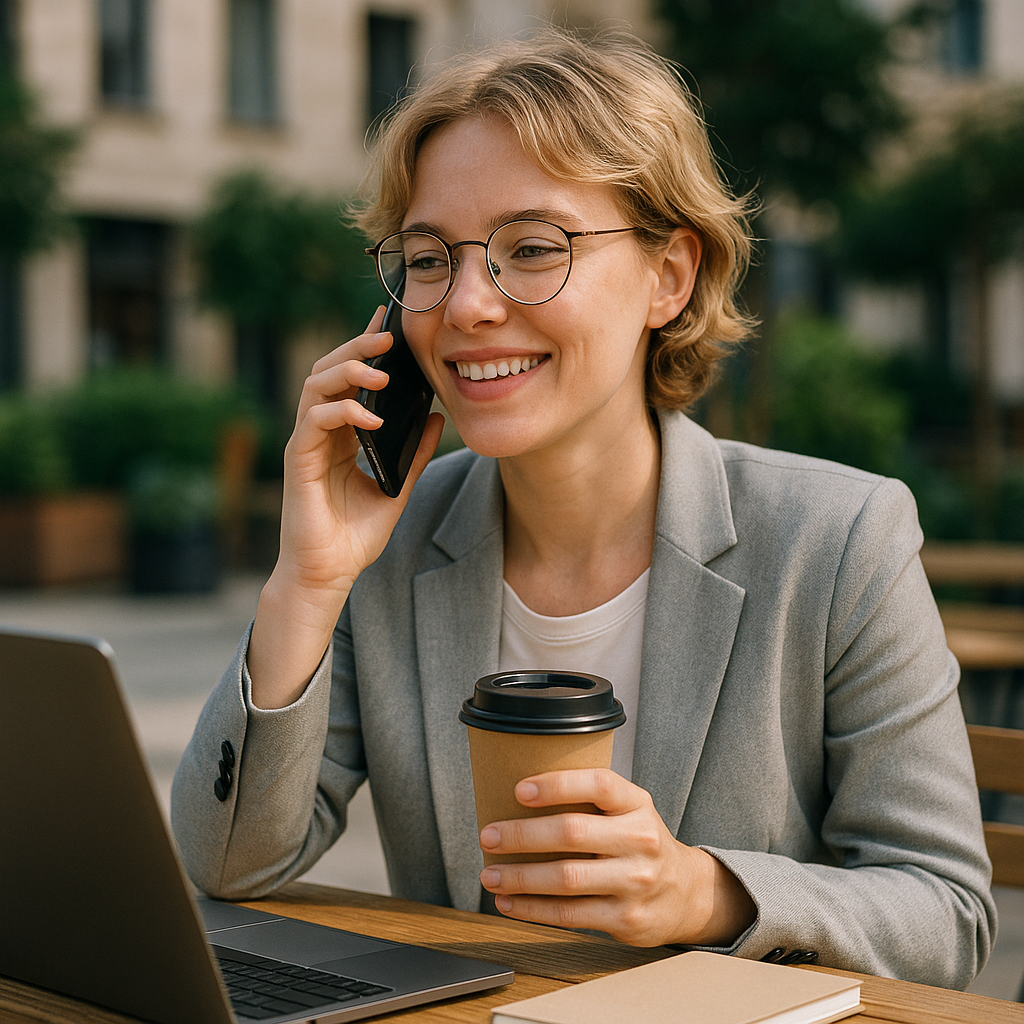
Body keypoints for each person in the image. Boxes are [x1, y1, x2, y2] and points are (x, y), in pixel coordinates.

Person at [171, 27, 995, 988]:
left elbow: (947, 916)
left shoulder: (839, 540)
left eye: (533, 248)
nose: (467, 304)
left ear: (669, 276)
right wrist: (306, 582)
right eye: (430, 258)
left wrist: (706, 894)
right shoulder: (387, 547)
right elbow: (228, 865)